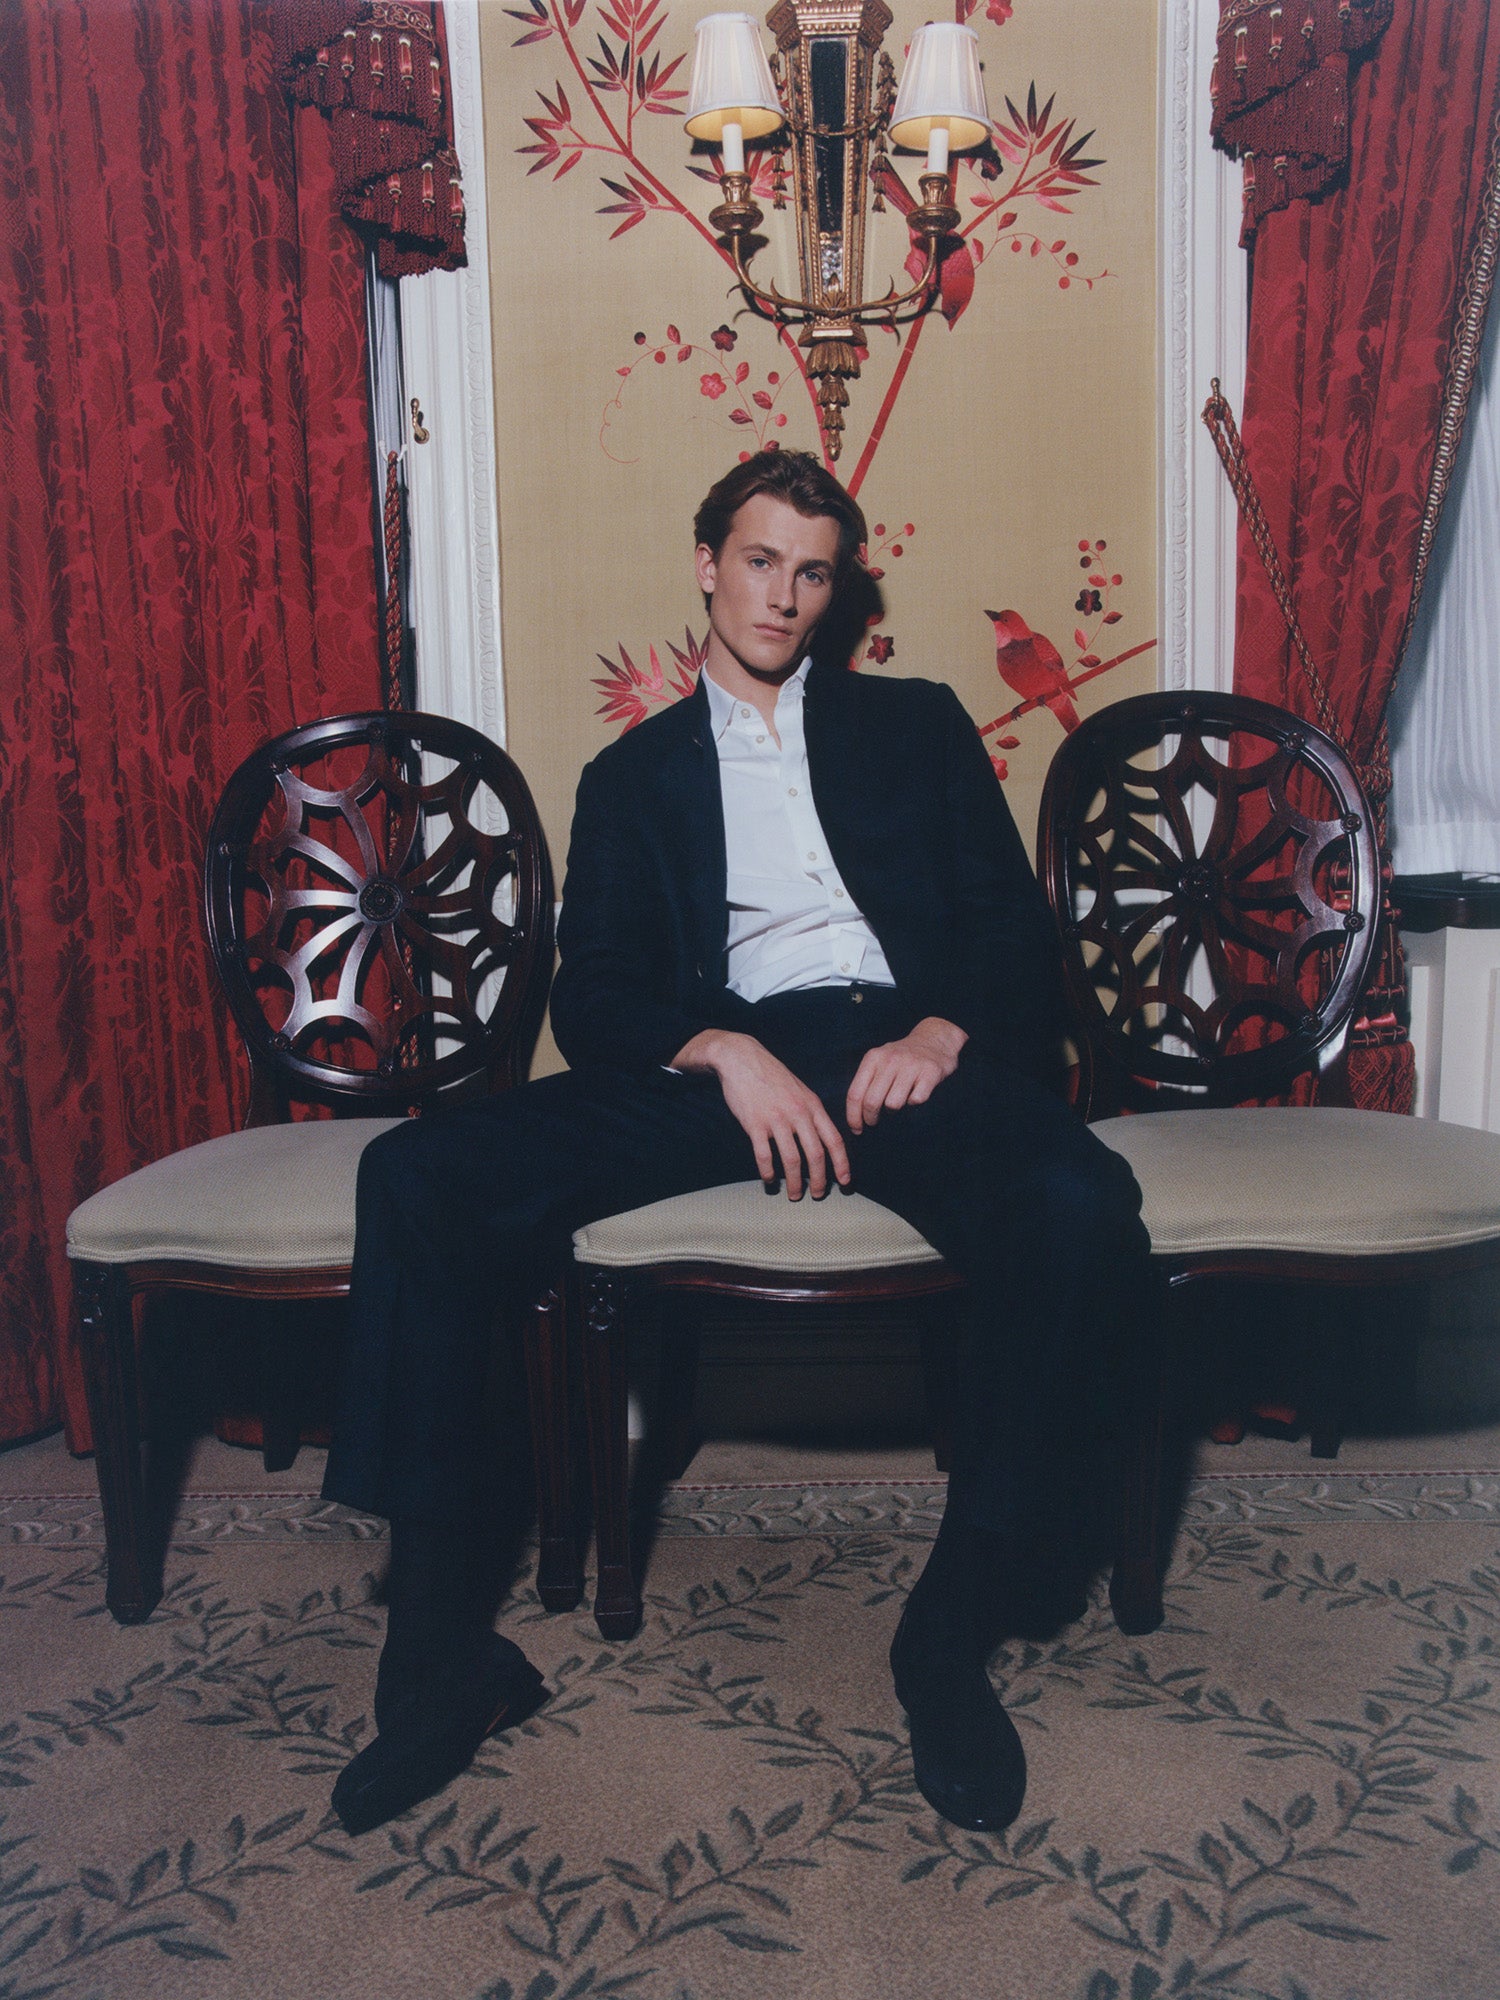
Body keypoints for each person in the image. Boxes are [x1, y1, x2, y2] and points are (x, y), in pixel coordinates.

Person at [321, 449, 1152, 1838]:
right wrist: (723, 1052)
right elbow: (597, 996)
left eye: (812, 571)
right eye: (760, 560)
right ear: (708, 564)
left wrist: (943, 1029)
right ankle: (440, 1667)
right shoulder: (632, 772)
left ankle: (947, 1636)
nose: (783, 593)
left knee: (1077, 1206)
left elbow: (1015, 934)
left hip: (900, 1055)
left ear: (838, 591)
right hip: (728, 1063)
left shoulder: (921, 725)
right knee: (417, 1176)